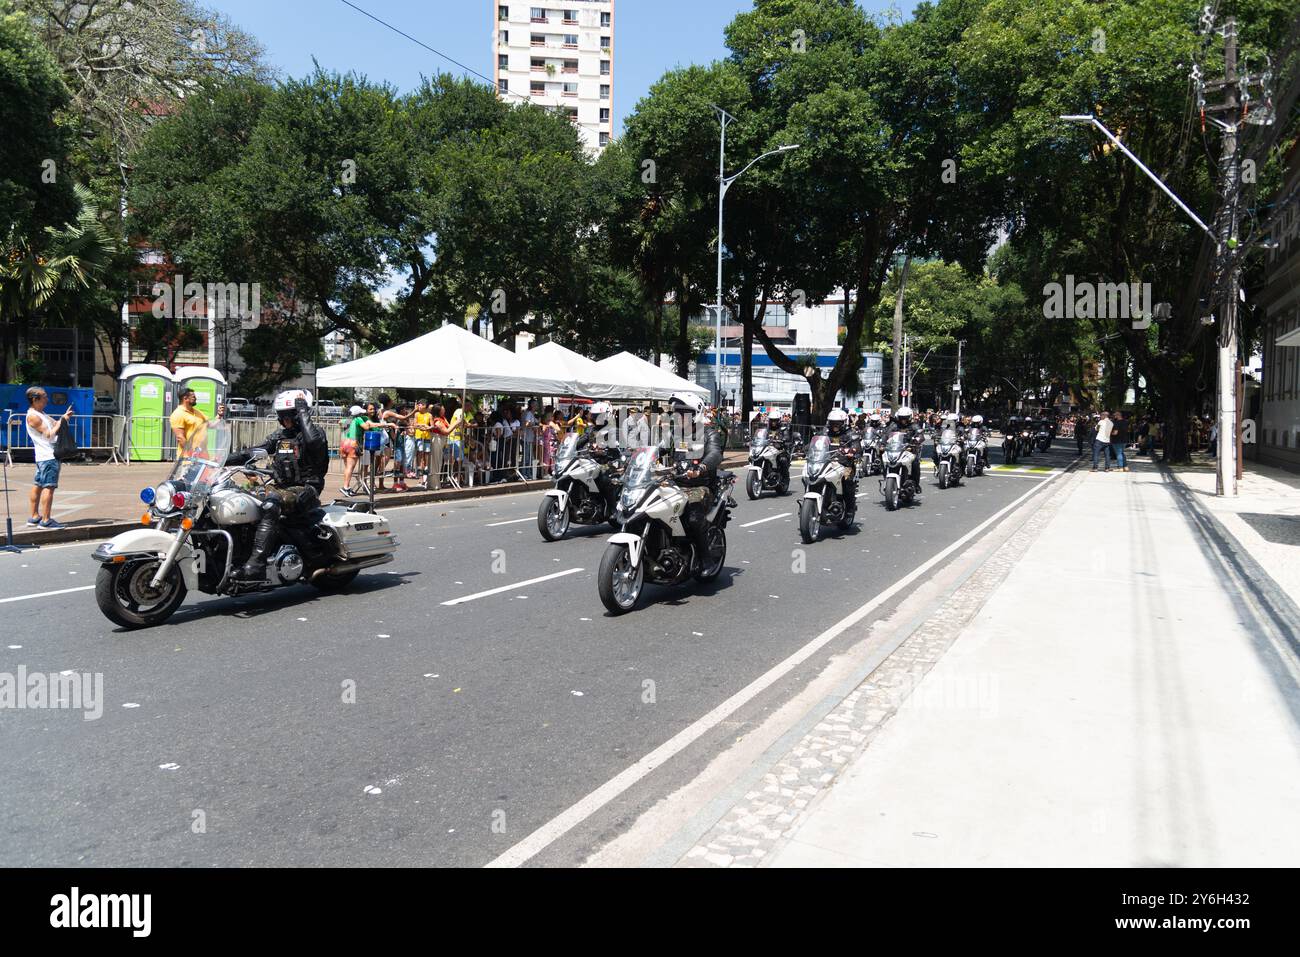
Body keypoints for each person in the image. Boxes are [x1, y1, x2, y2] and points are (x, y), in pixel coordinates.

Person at [226, 390, 328, 581]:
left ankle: (256, 564)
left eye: (290, 415)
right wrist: (224, 459)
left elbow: (312, 441)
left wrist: (303, 411)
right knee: (239, 498)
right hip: (280, 487)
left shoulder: (315, 434)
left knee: (271, 504)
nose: (286, 420)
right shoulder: (280, 437)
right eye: (282, 416)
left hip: (307, 489)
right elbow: (255, 452)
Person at [670, 392, 724, 572]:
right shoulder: (674, 434)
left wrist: (700, 468)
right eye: (677, 413)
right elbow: (657, 450)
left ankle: (705, 558)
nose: (678, 417)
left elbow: (715, 454)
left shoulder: (710, 434)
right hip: (674, 485)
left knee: (693, 516)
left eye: (683, 413)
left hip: (700, 486)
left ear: (695, 415)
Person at [24, 386, 74, 529]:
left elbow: (55, 424)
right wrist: (61, 421)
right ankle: (46, 520)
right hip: (48, 456)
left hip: (43, 456)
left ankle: (34, 517)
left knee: (38, 485)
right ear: (35, 399)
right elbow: (49, 434)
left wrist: (64, 418)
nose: (47, 399)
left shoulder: (41, 414)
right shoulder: (33, 416)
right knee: (48, 487)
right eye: (44, 396)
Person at [887, 405, 924, 494]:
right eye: (901, 418)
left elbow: (920, 435)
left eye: (905, 418)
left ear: (909, 417)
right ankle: (887, 479)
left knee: (915, 463)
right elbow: (887, 434)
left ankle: (916, 483)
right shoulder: (894, 425)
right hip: (896, 449)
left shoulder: (914, 426)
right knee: (887, 460)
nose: (903, 420)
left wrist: (917, 440)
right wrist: (882, 442)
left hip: (910, 449)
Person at [339, 404, 369, 496]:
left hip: (343, 443)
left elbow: (339, 422)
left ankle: (346, 487)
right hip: (353, 444)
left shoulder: (346, 420)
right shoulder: (358, 419)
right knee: (350, 467)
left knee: (347, 467)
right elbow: (366, 427)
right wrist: (367, 422)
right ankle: (345, 487)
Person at [169, 388, 208, 455]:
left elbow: (209, 424)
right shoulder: (178, 414)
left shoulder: (197, 412)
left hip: (202, 454)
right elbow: (180, 438)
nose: (196, 398)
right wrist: (192, 453)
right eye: (193, 397)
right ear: (185, 398)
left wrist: (219, 415)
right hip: (189, 457)